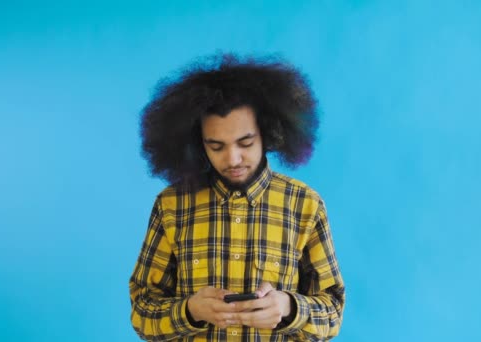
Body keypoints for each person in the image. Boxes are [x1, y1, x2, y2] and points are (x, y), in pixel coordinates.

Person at [129, 53, 345, 341]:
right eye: (216, 146)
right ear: (197, 143)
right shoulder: (171, 206)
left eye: (245, 143)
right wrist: (190, 310)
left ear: (268, 134)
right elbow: (142, 311)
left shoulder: (304, 205)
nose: (232, 158)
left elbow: (333, 311)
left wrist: (288, 308)